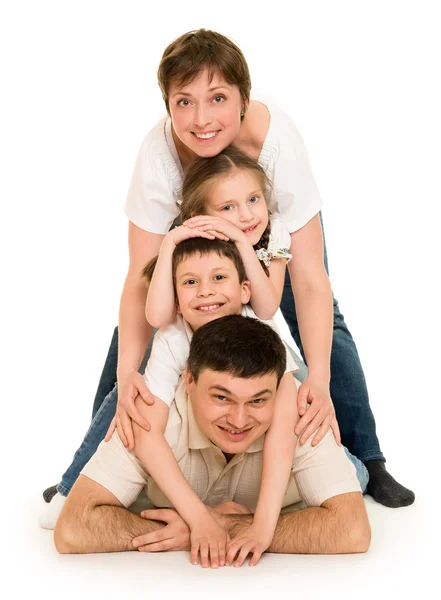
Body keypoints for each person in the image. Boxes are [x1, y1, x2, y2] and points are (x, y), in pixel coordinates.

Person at [43, 28, 413, 509]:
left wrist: (317, 378)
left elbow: (309, 281)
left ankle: (367, 457)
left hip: (266, 247)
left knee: (314, 316)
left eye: (217, 98)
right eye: (184, 103)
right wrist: (128, 371)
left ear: (243, 98)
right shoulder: (158, 156)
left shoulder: (278, 143)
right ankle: (95, 463)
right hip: (199, 246)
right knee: (141, 338)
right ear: (168, 105)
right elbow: (142, 282)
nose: (201, 120)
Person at [54, 314, 371, 565]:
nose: (238, 420)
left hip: (312, 444)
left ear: (279, 392)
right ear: (189, 381)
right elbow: (73, 527)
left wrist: (220, 525)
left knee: (357, 473)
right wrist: (195, 528)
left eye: (258, 401)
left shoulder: (297, 413)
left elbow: (352, 530)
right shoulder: (151, 416)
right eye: (222, 398)